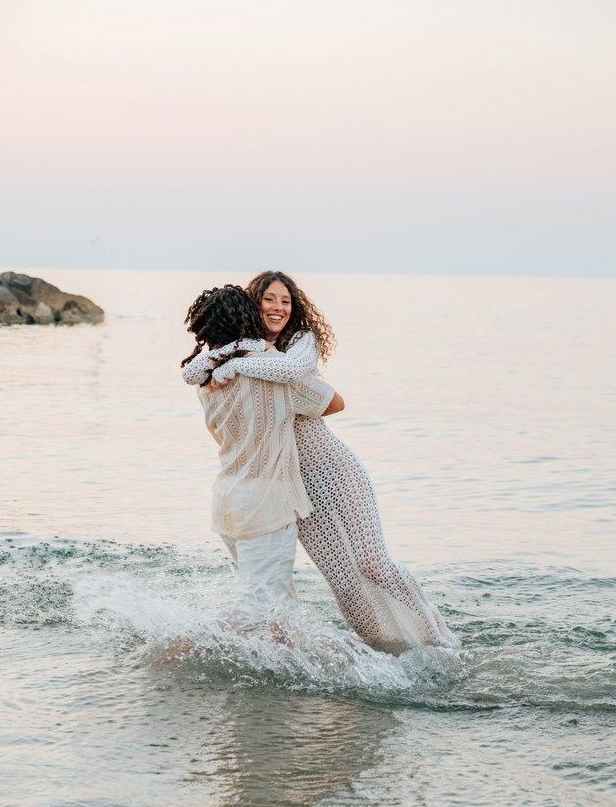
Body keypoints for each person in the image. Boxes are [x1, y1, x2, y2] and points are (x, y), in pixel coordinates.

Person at [184, 272, 459, 652]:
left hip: (328, 466)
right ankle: (386, 647)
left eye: (285, 300)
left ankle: (438, 636)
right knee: (343, 579)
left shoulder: (298, 343)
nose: (278, 307)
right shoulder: (241, 353)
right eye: (268, 299)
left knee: (373, 563)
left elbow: (302, 380)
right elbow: (193, 371)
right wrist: (226, 362)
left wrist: (235, 368)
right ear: (252, 305)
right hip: (287, 484)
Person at [171, 284, 344, 653]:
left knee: (281, 603)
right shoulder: (273, 377)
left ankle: (300, 669)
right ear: (249, 320)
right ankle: (180, 650)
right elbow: (335, 403)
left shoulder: (207, 382)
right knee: (259, 606)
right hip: (266, 504)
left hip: (228, 500)